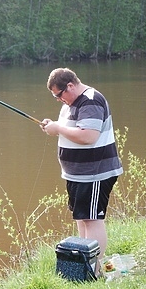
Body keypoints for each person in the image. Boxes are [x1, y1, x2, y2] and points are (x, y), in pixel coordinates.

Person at [40, 67, 123, 274]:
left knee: (93, 219)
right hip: (77, 174)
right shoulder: (71, 102)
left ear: (70, 86)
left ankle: (94, 271)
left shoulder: (91, 100)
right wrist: (54, 125)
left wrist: (58, 129)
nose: (59, 99)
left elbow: (88, 136)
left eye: (59, 95)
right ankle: (83, 265)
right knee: (82, 217)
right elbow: (72, 128)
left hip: (95, 172)